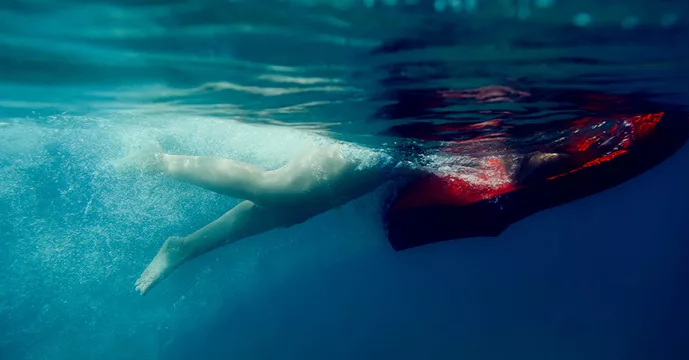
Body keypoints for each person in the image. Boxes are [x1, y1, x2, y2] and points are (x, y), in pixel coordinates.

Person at [117, 140, 569, 295]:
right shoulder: (509, 119)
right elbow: (516, 166)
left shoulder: (527, 134)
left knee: (291, 211)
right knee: (283, 189)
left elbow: (513, 167)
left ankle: (186, 246)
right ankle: (158, 160)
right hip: (383, 140)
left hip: (394, 155)